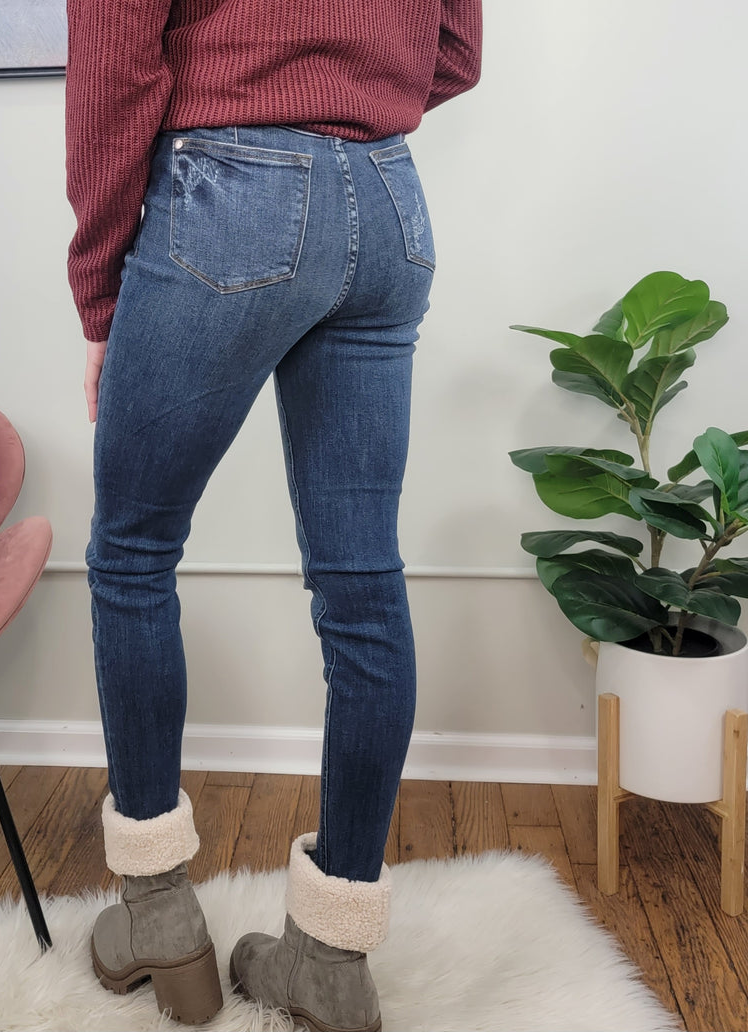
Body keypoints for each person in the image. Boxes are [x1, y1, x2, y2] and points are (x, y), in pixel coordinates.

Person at [65, 2, 482, 1028]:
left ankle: (157, 910)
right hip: (388, 199)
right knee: (361, 582)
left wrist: (100, 298)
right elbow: (457, 53)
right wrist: (350, 101)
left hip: (231, 192)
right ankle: (332, 958)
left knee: (131, 555)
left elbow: (114, 64)